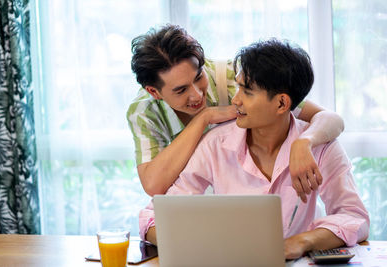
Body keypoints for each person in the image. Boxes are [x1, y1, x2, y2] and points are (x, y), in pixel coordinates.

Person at [139, 39, 369, 259]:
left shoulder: (321, 147)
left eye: (247, 92)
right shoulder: (215, 144)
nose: (235, 101)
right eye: (238, 88)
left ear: (281, 103)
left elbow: (354, 217)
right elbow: (153, 217)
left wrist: (300, 243)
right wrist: (196, 242)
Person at [127, 24, 344, 202]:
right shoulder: (144, 111)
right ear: (154, 92)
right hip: (193, 204)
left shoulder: (236, 78)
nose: (197, 95)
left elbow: (331, 119)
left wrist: (304, 142)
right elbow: (154, 185)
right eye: (181, 90)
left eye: (198, 76)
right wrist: (204, 118)